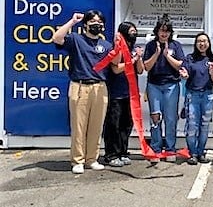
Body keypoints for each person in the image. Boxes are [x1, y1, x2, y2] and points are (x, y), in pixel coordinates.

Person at [52, 10, 118, 174]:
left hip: (100, 87)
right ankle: (78, 160)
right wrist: (72, 21)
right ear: (86, 24)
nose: (97, 24)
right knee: (79, 126)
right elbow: (57, 38)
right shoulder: (76, 39)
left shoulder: (106, 45)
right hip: (80, 86)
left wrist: (120, 45)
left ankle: (92, 159)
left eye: (100, 22)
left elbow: (115, 64)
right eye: (93, 21)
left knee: (96, 125)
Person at [143, 14, 185, 163]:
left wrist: (167, 56)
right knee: (155, 118)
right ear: (157, 31)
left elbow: (181, 65)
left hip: (171, 85)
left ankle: (170, 149)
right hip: (154, 85)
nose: (164, 33)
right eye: (161, 30)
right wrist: (157, 54)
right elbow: (146, 66)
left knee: (171, 118)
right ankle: (155, 149)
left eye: (167, 31)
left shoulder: (176, 45)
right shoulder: (150, 45)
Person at [103, 22, 144, 167]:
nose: (134, 34)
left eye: (135, 31)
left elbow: (140, 70)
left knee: (126, 125)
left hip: (130, 94)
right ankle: (111, 154)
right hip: (116, 94)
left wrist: (138, 58)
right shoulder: (116, 48)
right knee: (113, 125)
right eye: (131, 31)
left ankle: (122, 152)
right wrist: (128, 56)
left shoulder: (134, 48)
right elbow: (115, 68)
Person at [179, 32, 213, 165]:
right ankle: (193, 153)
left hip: (208, 96)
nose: (202, 44)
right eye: (199, 41)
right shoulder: (189, 58)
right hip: (192, 95)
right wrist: (184, 74)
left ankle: (201, 152)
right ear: (196, 44)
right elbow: (184, 73)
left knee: (204, 126)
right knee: (192, 125)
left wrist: (212, 73)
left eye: (205, 41)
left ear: (209, 43)